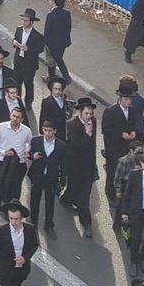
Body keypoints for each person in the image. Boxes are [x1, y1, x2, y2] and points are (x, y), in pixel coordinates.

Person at [62, 96, 98, 237]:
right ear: (79, 112)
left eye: (91, 113)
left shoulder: (93, 121)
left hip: (88, 164)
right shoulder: (72, 124)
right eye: (86, 113)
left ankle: (86, 223)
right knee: (75, 187)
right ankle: (66, 199)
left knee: (84, 196)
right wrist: (87, 134)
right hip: (75, 164)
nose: (89, 116)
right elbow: (77, 145)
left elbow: (93, 144)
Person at [0, 105, 32, 216]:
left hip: (20, 163)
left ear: (22, 119)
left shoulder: (27, 131)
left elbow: (30, 143)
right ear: (10, 116)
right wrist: (3, 152)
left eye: (18, 117)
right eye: (13, 116)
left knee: (15, 188)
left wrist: (27, 151)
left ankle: (11, 212)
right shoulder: (1, 127)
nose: (15, 119)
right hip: (4, 162)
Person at [26, 120, 67, 238]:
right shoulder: (36, 141)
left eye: (50, 131)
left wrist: (62, 180)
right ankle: (33, 223)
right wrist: (33, 156)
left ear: (55, 131)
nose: (47, 133)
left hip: (51, 178)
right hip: (37, 176)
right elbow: (29, 154)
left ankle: (49, 225)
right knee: (34, 201)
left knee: (50, 202)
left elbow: (63, 164)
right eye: (45, 130)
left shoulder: (61, 145)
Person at [103, 87, 144, 200]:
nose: (128, 102)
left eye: (130, 99)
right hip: (114, 147)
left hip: (126, 147)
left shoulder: (132, 111)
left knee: (124, 171)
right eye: (126, 99)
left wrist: (133, 131)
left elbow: (132, 124)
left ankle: (122, 193)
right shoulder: (111, 111)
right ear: (120, 99)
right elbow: (106, 129)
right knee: (113, 170)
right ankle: (110, 193)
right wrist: (121, 134)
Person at [13, 8, 45, 105]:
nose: (23, 22)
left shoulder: (38, 36)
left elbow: (40, 49)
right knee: (17, 83)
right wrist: (14, 42)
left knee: (28, 84)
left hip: (29, 64)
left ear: (31, 22)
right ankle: (17, 101)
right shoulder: (19, 29)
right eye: (22, 20)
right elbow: (15, 38)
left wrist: (29, 49)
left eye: (26, 20)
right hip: (18, 61)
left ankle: (28, 102)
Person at [43, 0, 73, 84]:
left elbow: (47, 31)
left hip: (52, 45)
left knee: (53, 61)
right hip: (63, 43)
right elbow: (68, 28)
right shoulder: (67, 13)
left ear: (53, 1)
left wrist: (44, 43)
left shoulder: (51, 15)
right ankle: (54, 77)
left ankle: (61, 77)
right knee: (58, 59)